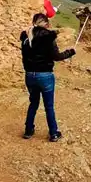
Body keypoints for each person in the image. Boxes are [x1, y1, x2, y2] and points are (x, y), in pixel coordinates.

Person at [20, 12, 76, 142]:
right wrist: (70, 52)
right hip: (45, 75)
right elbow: (57, 57)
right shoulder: (48, 37)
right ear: (46, 24)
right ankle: (53, 133)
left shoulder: (26, 38)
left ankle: (28, 131)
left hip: (29, 75)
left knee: (33, 103)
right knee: (49, 106)